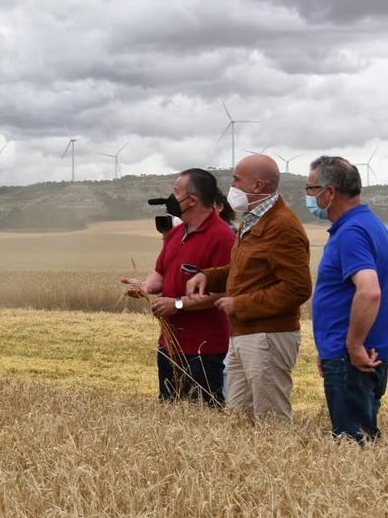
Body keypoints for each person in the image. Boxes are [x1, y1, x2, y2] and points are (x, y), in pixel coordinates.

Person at [185, 154, 312, 420]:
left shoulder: (282, 226)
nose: (231, 186)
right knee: (238, 419)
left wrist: (239, 304)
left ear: (258, 186)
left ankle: (278, 462)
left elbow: (297, 288)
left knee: (270, 420)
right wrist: (208, 276)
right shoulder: (253, 220)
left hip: (268, 336)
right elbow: (244, 271)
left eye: (236, 179)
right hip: (245, 332)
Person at [123, 168, 235, 406]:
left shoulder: (223, 237)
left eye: (175, 192)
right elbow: (161, 273)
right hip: (169, 343)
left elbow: (224, 291)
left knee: (204, 415)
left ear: (191, 200)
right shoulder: (175, 233)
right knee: (170, 412)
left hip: (205, 347)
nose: (171, 198)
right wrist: (144, 287)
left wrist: (177, 304)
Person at [306, 155, 388, 443]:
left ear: (330, 192)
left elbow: (370, 290)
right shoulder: (372, 225)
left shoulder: (352, 232)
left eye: (311, 189)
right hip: (355, 352)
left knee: (353, 445)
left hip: (353, 357)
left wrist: (351, 346)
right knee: (362, 443)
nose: (309, 196)